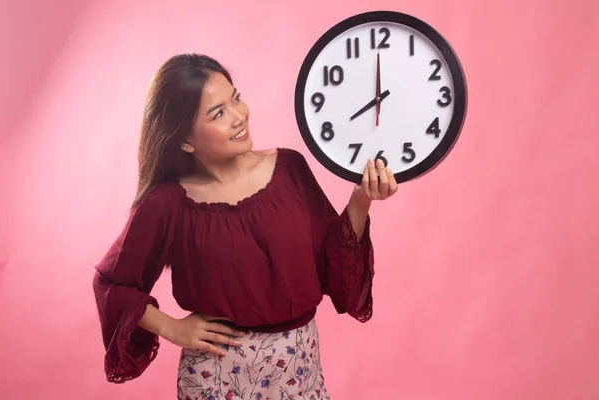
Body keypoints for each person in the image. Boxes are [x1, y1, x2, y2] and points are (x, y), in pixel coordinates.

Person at [92, 53, 398, 400]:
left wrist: (361, 198)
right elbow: (112, 283)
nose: (240, 117)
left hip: (298, 365)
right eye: (218, 113)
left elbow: (333, 265)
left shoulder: (289, 169)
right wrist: (172, 328)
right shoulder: (167, 202)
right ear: (186, 140)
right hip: (216, 374)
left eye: (236, 98)